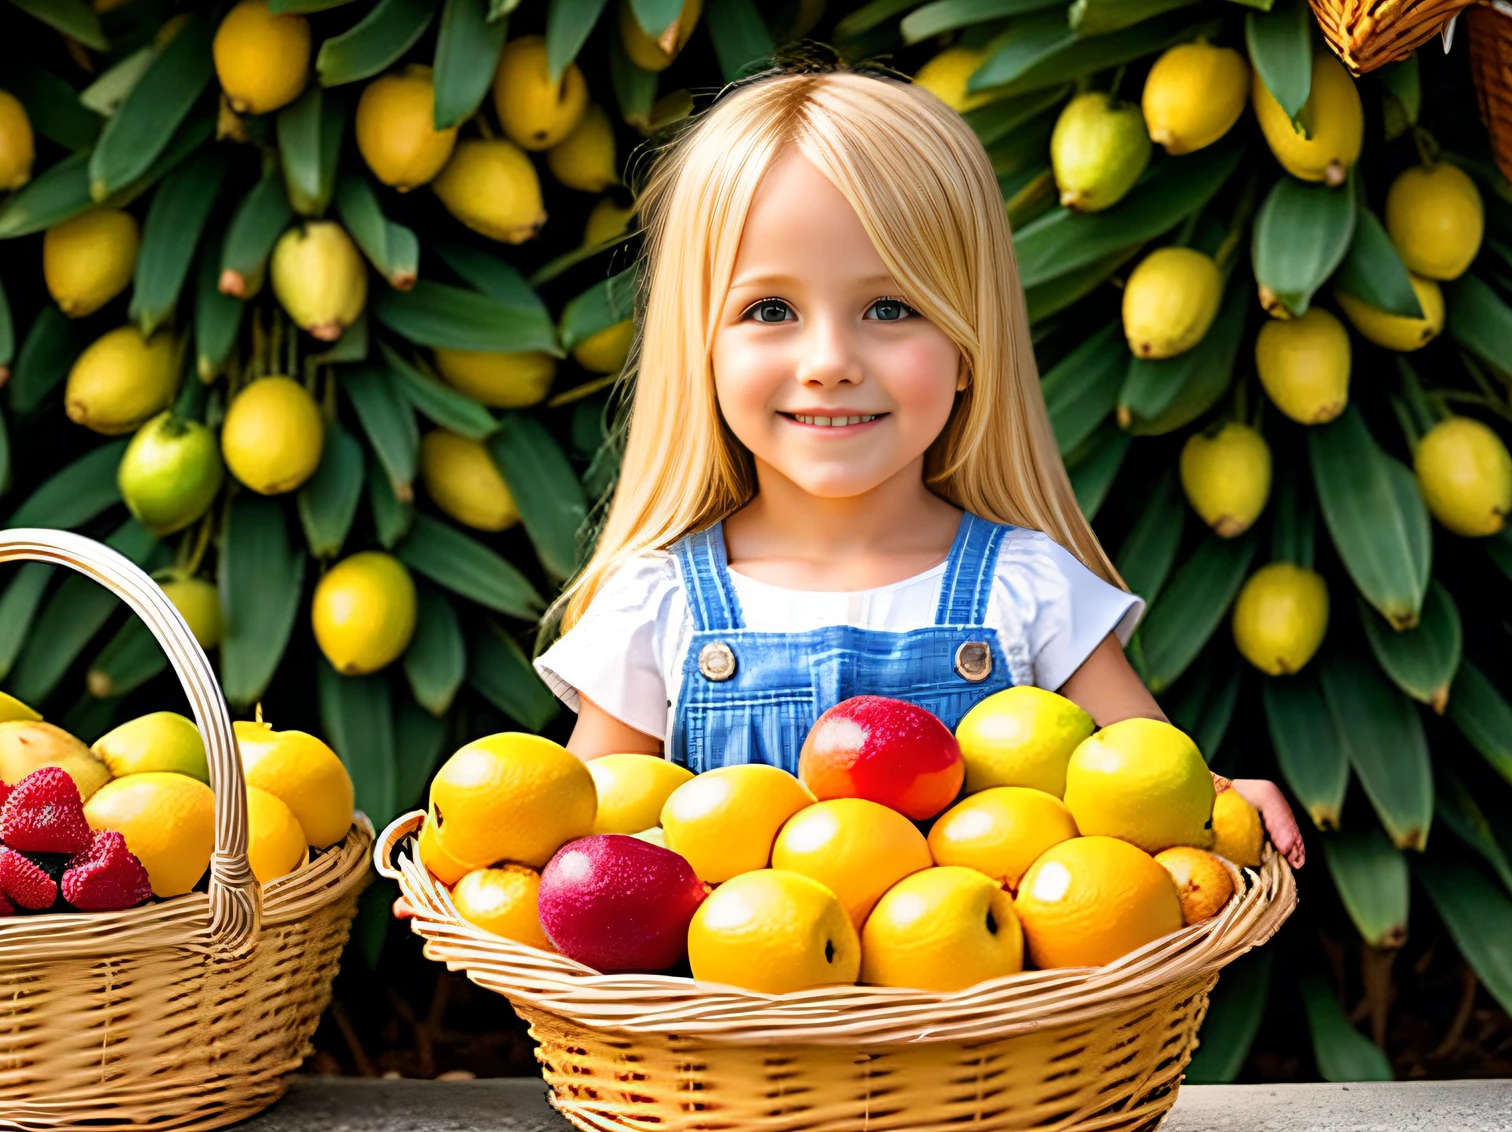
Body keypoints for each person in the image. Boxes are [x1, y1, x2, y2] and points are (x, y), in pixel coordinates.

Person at [533, 60, 1304, 867]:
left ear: (971, 346)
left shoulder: (1028, 590)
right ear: (701, 350)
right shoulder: (658, 608)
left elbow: (1157, 790)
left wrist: (1221, 803)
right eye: (770, 310)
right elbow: (579, 861)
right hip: (727, 991)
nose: (829, 360)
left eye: (891, 308)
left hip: (993, 991)